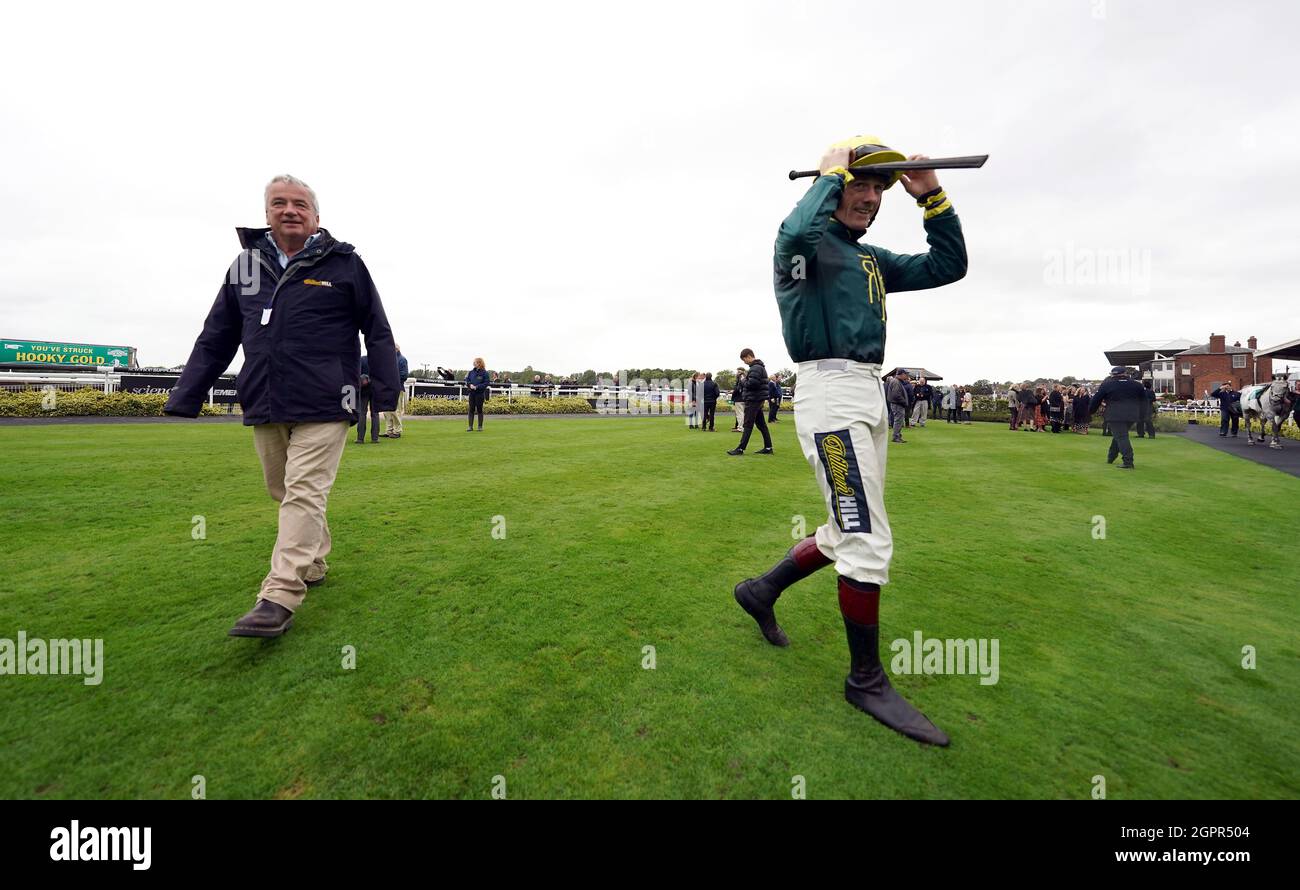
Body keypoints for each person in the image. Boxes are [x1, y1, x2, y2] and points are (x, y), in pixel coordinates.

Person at [733, 134, 966, 747]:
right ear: (832, 185)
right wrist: (831, 177)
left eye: (877, 189)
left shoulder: (872, 258)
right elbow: (793, 234)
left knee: (845, 529)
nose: (868, 198)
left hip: (866, 394)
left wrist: (933, 198)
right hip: (830, 396)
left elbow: (948, 267)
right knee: (865, 537)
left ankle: (760, 592)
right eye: (859, 185)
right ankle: (864, 681)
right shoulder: (802, 249)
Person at [164, 174, 398, 638]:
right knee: (284, 490)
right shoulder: (245, 267)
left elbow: (378, 329)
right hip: (265, 398)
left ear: (316, 217)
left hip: (328, 400)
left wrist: (386, 394)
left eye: (299, 204)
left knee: (304, 491)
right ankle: (313, 561)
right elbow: (217, 335)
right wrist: (187, 393)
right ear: (267, 213)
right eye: (278, 204)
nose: (289, 210)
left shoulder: (345, 264)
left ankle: (279, 596)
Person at [1089, 366, 1146, 469]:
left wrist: (1090, 411)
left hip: (1114, 414)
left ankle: (1128, 461)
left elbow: (1096, 399)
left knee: (1121, 437)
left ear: (1113, 375)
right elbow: (1144, 401)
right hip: (1132, 415)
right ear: (1125, 373)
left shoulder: (1107, 385)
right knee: (1119, 436)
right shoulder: (1137, 385)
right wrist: (1143, 415)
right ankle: (1111, 457)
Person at [728, 349, 773, 455]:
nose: (744, 362)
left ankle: (741, 448)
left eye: (744, 359)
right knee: (761, 424)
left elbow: (752, 384)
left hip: (754, 399)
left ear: (748, 356)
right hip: (757, 399)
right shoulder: (759, 367)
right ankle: (768, 447)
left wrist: (743, 380)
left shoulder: (755, 368)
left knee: (748, 423)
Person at [381, 344, 409, 439]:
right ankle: (389, 430)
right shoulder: (390, 360)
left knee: (395, 410)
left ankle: (397, 430)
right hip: (388, 388)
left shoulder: (402, 360)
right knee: (386, 411)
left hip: (397, 388)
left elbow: (404, 375)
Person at [355, 354, 381, 444]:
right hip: (376, 390)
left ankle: (360, 438)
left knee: (362, 413)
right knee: (375, 414)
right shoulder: (379, 360)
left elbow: (357, 373)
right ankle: (375, 438)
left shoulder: (362, 359)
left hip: (364, 390)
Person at [466, 357, 489, 431]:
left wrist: (477, 387)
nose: (473, 363)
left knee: (479, 410)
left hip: (479, 394)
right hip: (471, 393)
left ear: (479, 363)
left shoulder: (484, 373)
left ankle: (480, 426)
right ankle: (470, 426)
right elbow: (467, 380)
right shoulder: (471, 372)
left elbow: (486, 383)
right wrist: (470, 385)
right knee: (471, 409)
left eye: (475, 362)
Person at [885, 370, 909, 442]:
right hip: (897, 404)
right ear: (901, 374)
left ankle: (897, 436)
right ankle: (896, 437)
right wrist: (904, 402)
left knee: (898, 421)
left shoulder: (897, 381)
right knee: (898, 421)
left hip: (897, 404)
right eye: (905, 374)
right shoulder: (896, 382)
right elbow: (896, 395)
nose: (906, 376)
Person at [730, 367, 746, 432]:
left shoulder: (741, 380)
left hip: (739, 399)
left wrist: (733, 391)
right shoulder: (745, 379)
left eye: (739, 372)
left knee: (740, 414)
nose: (737, 373)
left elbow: (738, 389)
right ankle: (741, 427)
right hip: (743, 398)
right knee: (742, 414)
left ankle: (740, 428)